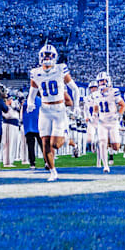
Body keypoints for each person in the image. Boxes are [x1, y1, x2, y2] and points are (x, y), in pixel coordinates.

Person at [27, 43, 80, 182]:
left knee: (55, 144)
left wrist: (77, 106)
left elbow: (75, 89)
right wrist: (30, 103)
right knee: (44, 142)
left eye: (50, 55)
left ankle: (67, 137)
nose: (47, 57)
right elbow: (32, 92)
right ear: (40, 57)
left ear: (55, 57)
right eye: (45, 54)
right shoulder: (35, 72)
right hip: (44, 110)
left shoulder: (61, 69)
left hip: (59, 109)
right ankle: (53, 172)